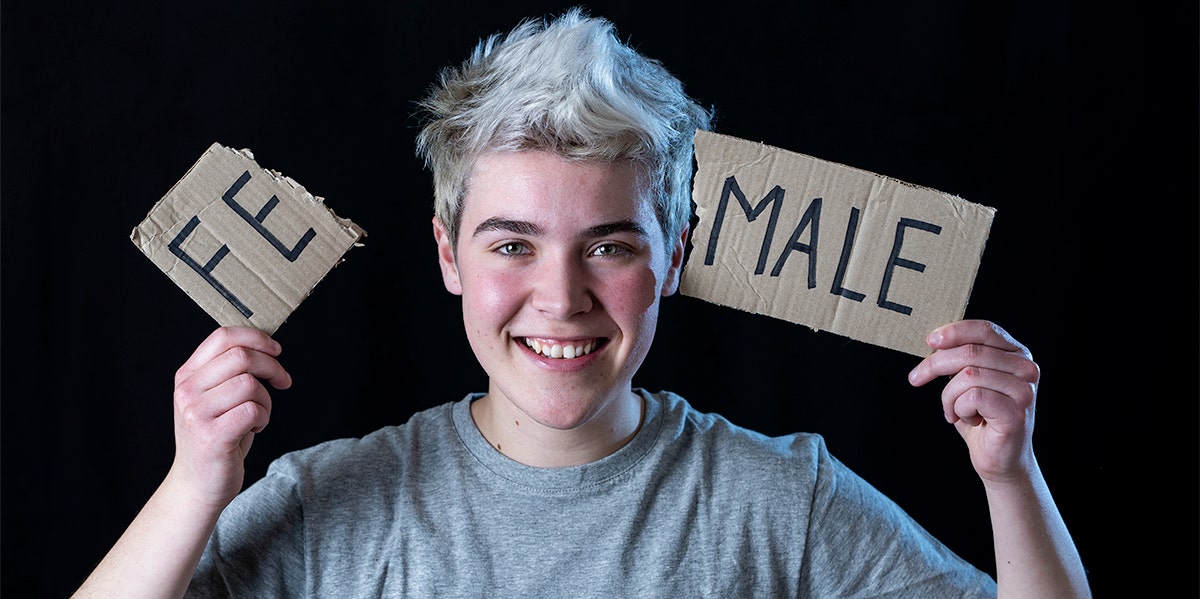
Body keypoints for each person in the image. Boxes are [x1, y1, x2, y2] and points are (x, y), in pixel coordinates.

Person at [73, 7, 1091, 598]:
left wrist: (1009, 475)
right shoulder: (328, 500)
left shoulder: (784, 499)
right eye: (512, 244)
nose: (559, 298)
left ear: (675, 257)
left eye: (609, 244)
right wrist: (197, 481)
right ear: (448, 256)